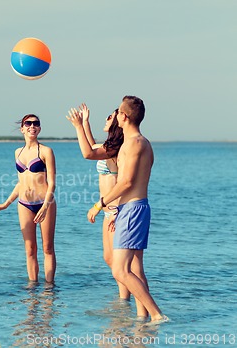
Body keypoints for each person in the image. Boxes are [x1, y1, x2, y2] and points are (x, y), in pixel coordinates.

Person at [75, 96, 166, 322]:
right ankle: (141, 318)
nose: (115, 116)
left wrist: (100, 204)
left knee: (120, 270)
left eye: (117, 113)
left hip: (133, 208)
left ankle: (156, 315)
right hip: (132, 208)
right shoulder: (135, 143)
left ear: (123, 116)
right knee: (133, 269)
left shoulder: (135, 143)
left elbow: (125, 182)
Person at [67, 103, 130, 301]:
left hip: (115, 210)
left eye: (109, 117)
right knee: (109, 258)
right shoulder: (108, 147)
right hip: (107, 210)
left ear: (116, 124)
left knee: (119, 264)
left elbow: (88, 153)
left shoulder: (115, 149)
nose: (106, 119)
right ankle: (124, 299)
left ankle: (125, 299)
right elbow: (93, 146)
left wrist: (78, 126)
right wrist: (85, 122)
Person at [0, 114, 57, 283]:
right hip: (24, 204)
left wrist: (46, 206)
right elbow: (21, 183)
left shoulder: (46, 151)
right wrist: (6, 203)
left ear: (39, 129)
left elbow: (52, 184)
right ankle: (33, 289)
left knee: (47, 248)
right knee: (30, 249)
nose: (32, 126)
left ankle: (49, 289)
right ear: (22, 128)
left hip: (44, 203)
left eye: (36, 123)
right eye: (28, 123)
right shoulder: (17, 152)